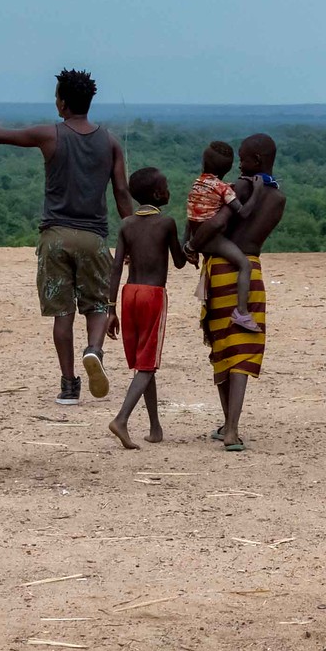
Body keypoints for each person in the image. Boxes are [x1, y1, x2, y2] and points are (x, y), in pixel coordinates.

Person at [0, 69, 133, 405]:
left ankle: (68, 385)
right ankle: (94, 350)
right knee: (95, 306)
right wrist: (132, 233)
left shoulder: (51, 135)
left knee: (63, 315)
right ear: (89, 101)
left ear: (61, 102)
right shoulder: (110, 142)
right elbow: (121, 192)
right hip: (94, 238)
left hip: (55, 237)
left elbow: (3, 135)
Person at [187, 132, 285, 451]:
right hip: (251, 269)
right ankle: (231, 429)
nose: (238, 163)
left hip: (221, 267)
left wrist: (192, 244)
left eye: (242, 157)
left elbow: (217, 224)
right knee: (243, 349)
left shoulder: (241, 187)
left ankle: (228, 425)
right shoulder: (278, 198)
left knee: (222, 348)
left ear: (256, 160)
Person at [106, 167, 186, 450]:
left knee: (144, 361)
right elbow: (178, 261)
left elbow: (116, 267)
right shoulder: (167, 223)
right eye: (165, 187)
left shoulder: (126, 224)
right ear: (156, 194)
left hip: (129, 294)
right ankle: (122, 419)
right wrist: (189, 246)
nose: (169, 190)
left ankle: (154, 427)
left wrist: (110, 308)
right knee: (148, 364)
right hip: (153, 295)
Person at [182, 141, 261, 333]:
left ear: (203, 163)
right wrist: (257, 190)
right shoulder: (223, 189)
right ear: (228, 168)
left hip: (195, 233)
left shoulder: (199, 182)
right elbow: (243, 213)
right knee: (245, 265)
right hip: (210, 239)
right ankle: (241, 312)